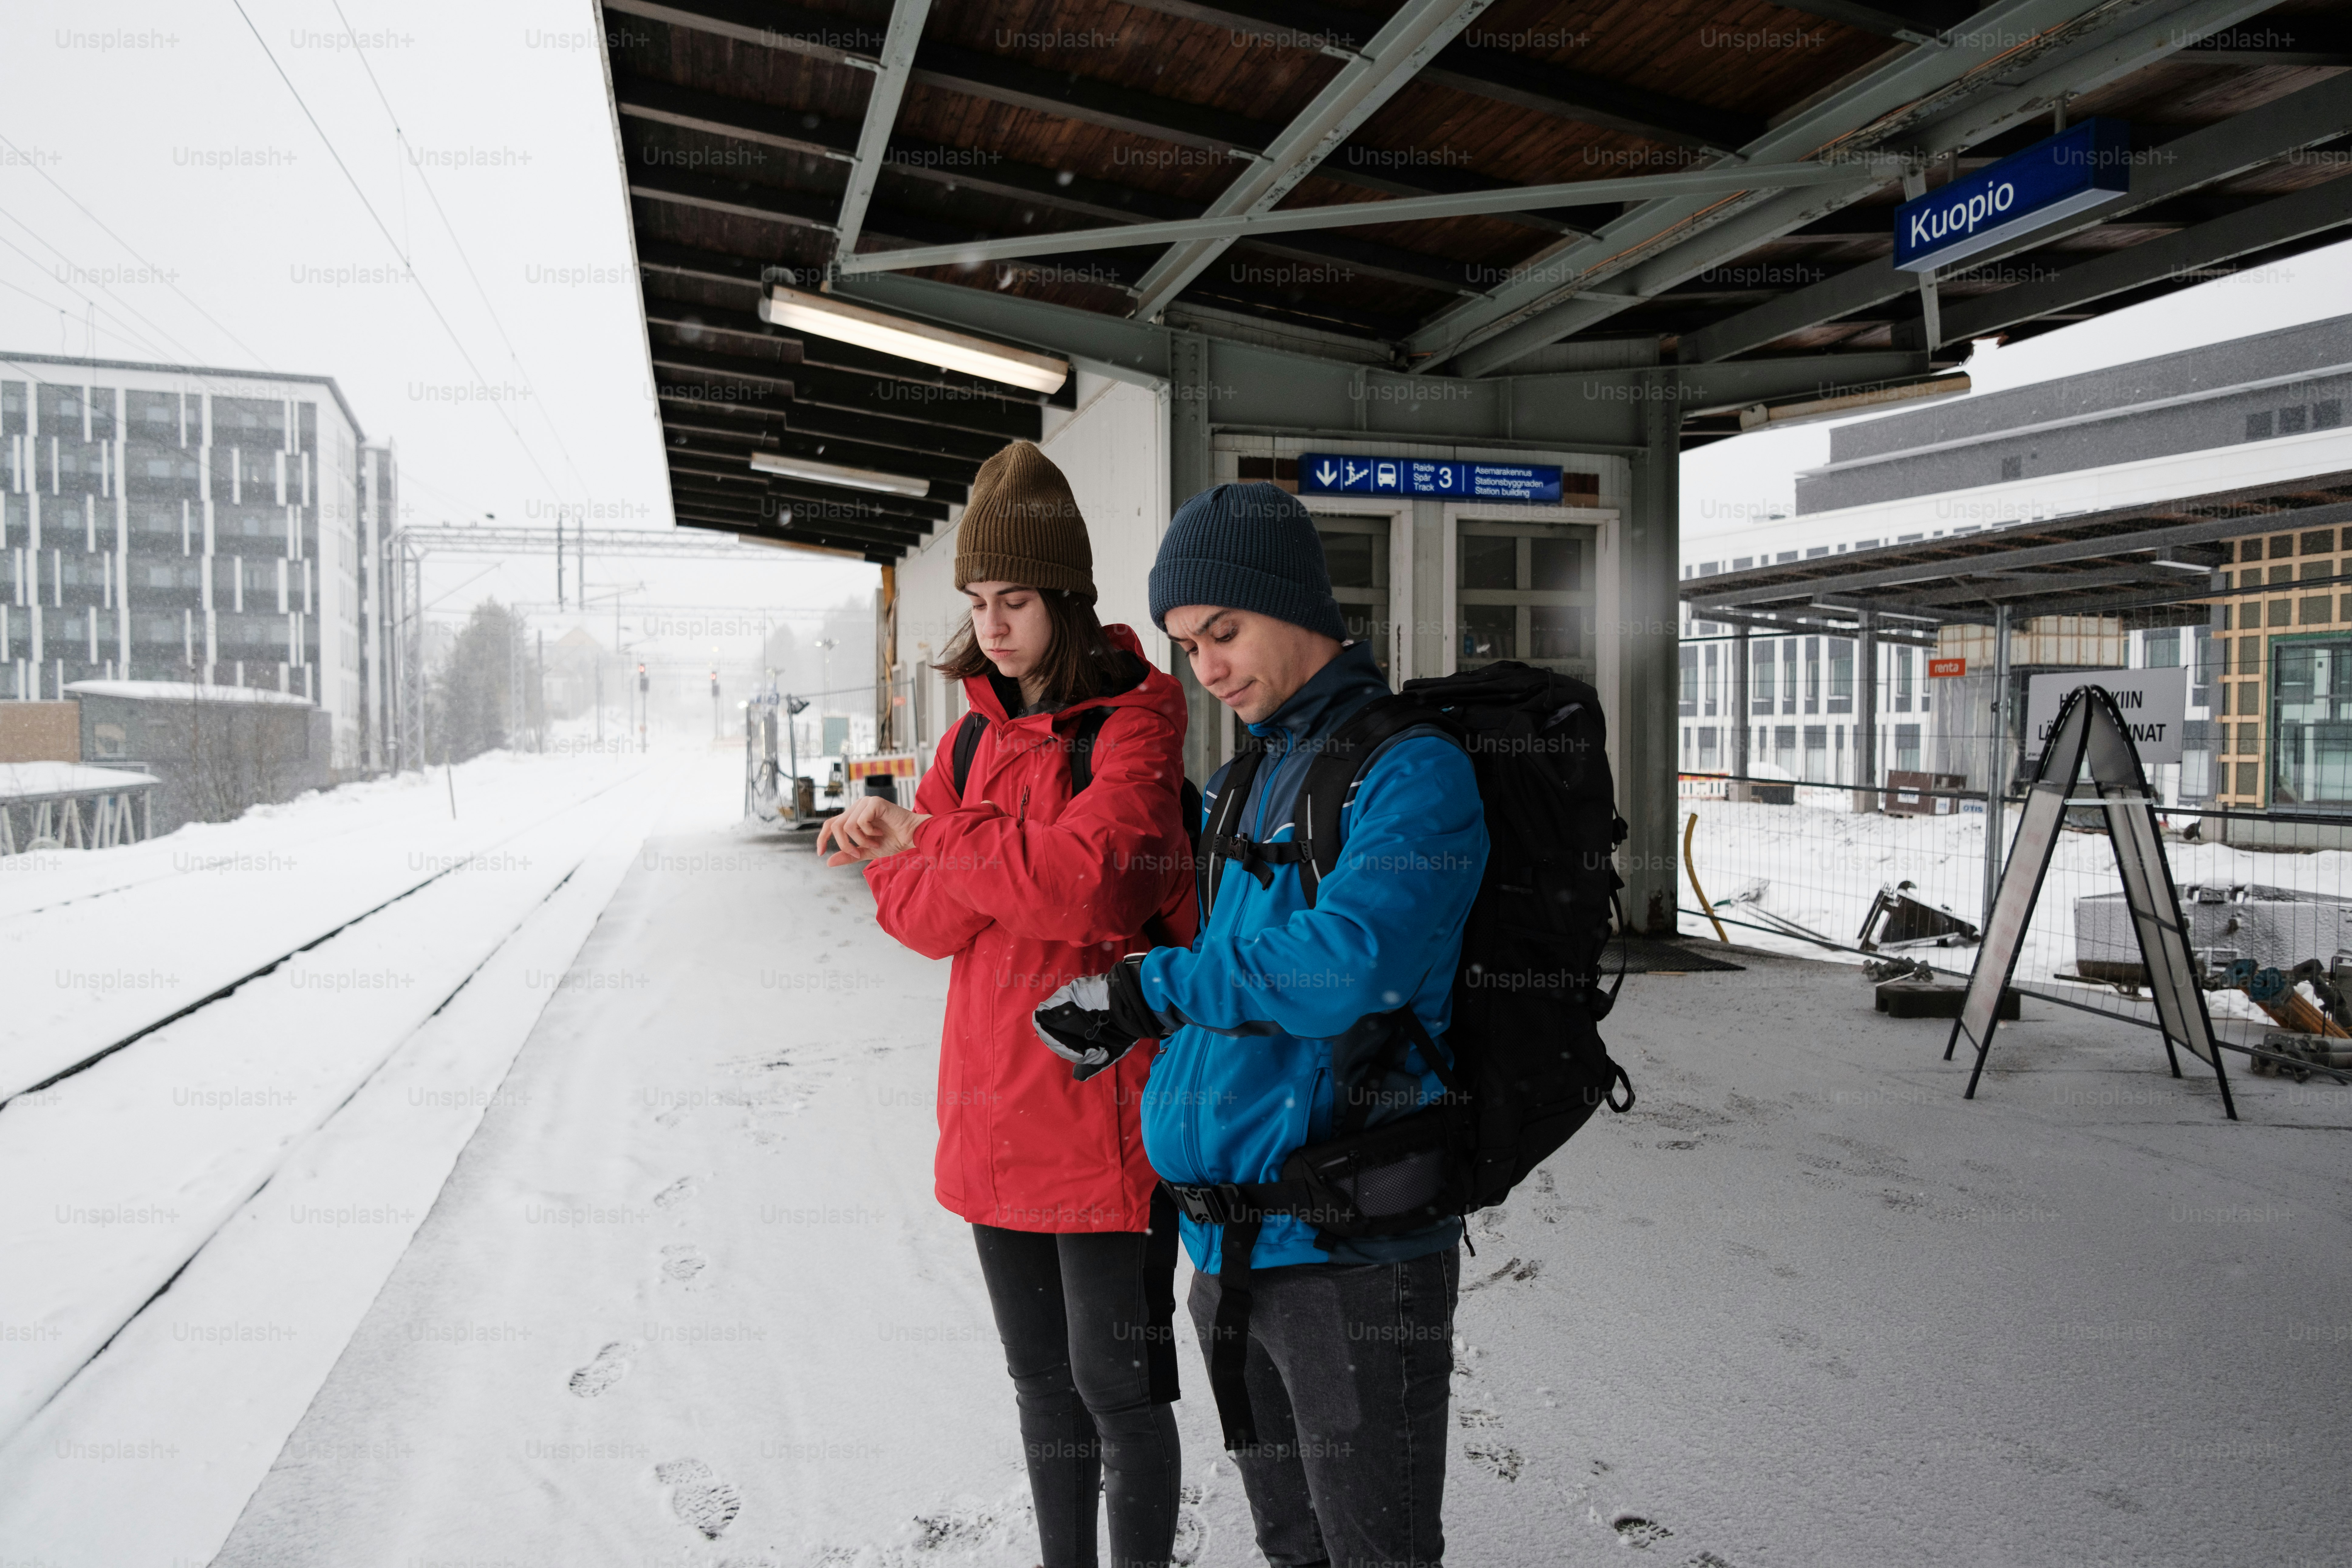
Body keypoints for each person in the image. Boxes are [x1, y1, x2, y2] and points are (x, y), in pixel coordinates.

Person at [1032, 482, 1487, 1568]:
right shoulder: (1246, 778)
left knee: (1372, 1550)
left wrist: (1154, 991)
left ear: (1295, 606)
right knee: (1292, 1545)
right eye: (1189, 647)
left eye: (1222, 633)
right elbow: (1229, 974)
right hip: (1228, 1247)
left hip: (1349, 1255)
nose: (1209, 668)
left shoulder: (1412, 770)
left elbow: (1350, 964)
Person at [817, 440, 1193, 1568]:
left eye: (1014, 599)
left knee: (1117, 1391)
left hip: (1103, 1118)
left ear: (1067, 598)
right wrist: (964, 861)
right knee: (1040, 1390)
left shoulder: (1132, 723)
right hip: (991, 1120)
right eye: (978, 601)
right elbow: (921, 919)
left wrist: (941, 841)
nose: (992, 623)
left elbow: (1095, 883)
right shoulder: (971, 736)